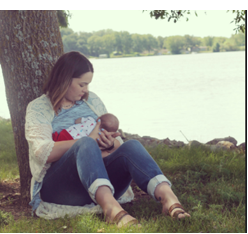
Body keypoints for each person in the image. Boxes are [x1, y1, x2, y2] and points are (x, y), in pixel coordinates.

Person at [25, 51, 191, 226]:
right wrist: (87, 140)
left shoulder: (92, 101)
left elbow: (116, 142)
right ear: (65, 79)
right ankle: (112, 210)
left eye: (88, 85)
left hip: (98, 182)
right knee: (86, 143)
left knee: (131, 146)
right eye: (82, 84)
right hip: (61, 188)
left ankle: (169, 199)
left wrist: (111, 144)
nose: (86, 90)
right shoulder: (39, 107)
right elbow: (41, 152)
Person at [52, 113, 119, 144]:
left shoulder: (90, 120)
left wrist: (80, 121)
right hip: (76, 142)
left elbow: (77, 121)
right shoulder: (99, 136)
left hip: (68, 133)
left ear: (98, 118)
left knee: (56, 139)